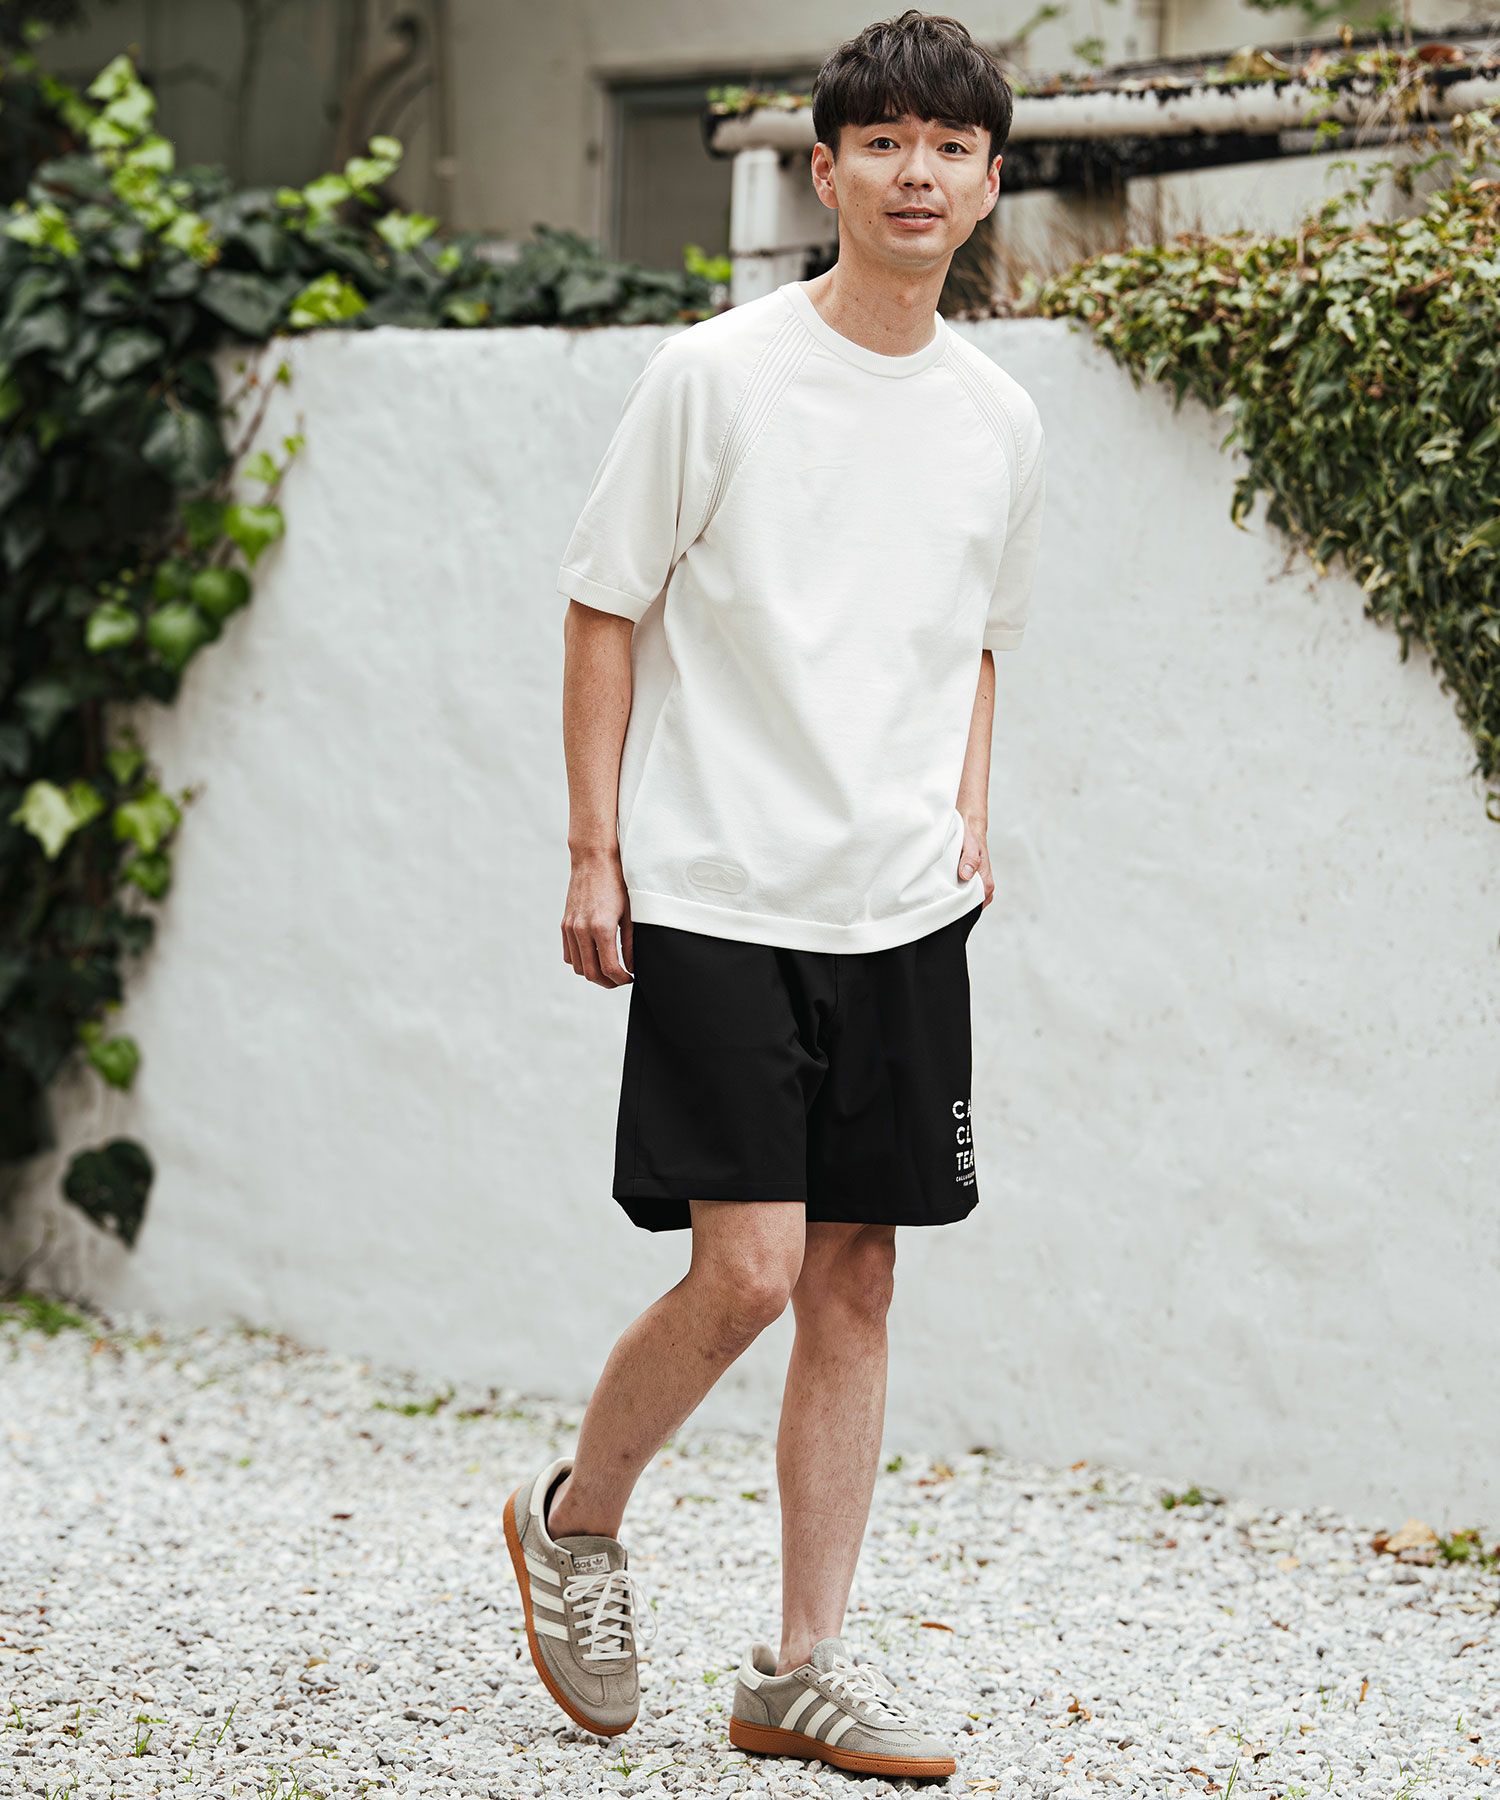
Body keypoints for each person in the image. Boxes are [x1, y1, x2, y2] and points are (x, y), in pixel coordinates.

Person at [505, 8, 1046, 1781]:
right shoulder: (718, 376)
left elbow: (979, 638)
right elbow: (604, 602)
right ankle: (578, 1522)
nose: (916, 174)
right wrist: (594, 849)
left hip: (900, 910)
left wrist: (969, 808)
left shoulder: (998, 418)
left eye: (950, 147)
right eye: (882, 142)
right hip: (725, 889)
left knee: (857, 1279)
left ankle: (802, 1669)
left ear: (989, 181)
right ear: (825, 172)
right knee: (744, 1273)